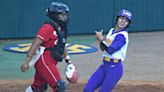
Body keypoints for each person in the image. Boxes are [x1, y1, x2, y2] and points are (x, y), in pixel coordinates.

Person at [20, 2, 75, 92]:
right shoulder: (48, 27)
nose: (65, 17)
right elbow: (36, 43)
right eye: (62, 14)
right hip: (44, 61)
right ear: (55, 15)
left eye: (65, 14)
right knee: (59, 87)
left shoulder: (60, 28)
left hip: (51, 61)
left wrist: (69, 61)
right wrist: (27, 61)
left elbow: (62, 44)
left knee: (38, 88)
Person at [83, 9, 132, 92]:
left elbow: (111, 50)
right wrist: (101, 40)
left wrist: (101, 39)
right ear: (117, 19)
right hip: (104, 66)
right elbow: (103, 49)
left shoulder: (122, 36)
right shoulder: (111, 31)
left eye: (126, 20)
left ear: (128, 24)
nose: (123, 21)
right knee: (88, 89)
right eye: (121, 18)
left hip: (115, 68)